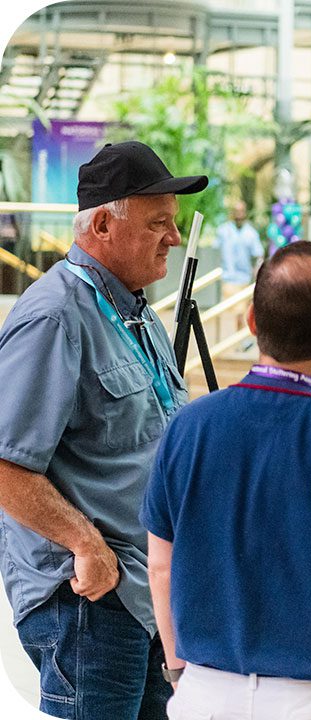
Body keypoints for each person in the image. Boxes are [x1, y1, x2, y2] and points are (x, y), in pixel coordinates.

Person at [140, 240, 311, 720]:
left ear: (251, 321)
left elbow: (160, 567)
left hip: (206, 691)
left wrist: (180, 673)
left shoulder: (189, 426)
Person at [0, 140, 208, 720]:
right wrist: (86, 545)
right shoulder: (54, 317)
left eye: (174, 223)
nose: (173, 237)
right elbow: (5, 465)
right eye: (158, 223)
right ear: (100, 225)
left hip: (146, 596)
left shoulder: (137, 313)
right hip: (89, 600)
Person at [214, 200, 264, 329]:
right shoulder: (223, 230)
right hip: (227, 277)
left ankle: (239, 343)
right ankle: (228, 341)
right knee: (227, 313)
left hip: (244, 278)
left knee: (241, 313)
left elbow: (258, 255)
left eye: (241, 211)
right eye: (236, 211)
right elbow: (214, 250)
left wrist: (256, 273)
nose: (239, 215)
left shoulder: (251, 233)